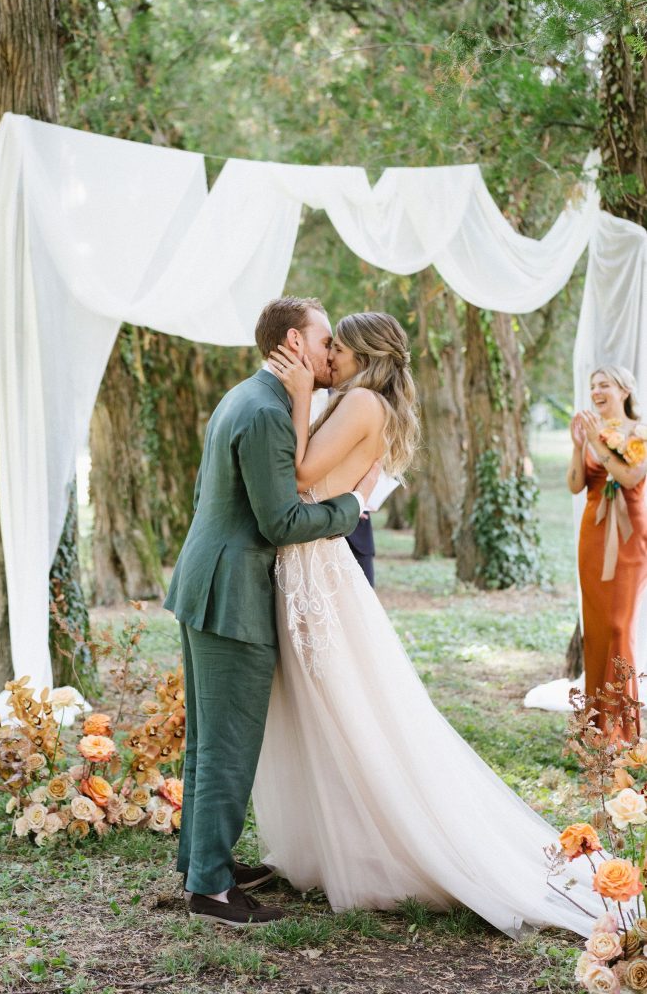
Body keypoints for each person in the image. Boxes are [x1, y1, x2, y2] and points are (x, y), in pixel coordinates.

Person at [253, 311, 598, 938]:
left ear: (361, 354)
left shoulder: (359, 402)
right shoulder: (360, 400)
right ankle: (343, 841)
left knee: (349, 709)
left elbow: (301, 475)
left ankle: (394, 845)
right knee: (326, 707)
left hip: (315, 569)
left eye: (336, 347)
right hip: (309, 563)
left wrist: (302, 396)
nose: (327, 355)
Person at [163, 295, 381, 927]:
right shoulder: (266, 414)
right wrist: (353, 509)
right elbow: (281, 521)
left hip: (211, 580)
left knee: (208, 740)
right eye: (323, 342)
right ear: (292, 343)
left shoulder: (249, 397)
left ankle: (202, 864)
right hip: (232, 593)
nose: (330, 353)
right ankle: (211, 891)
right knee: (228, 744)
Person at [567, 365, 647, 740]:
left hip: (631, 535)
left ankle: (623, 727)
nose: (596, 392)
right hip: (594, 534)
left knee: (619, 626)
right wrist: (577, 445)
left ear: (624, 390)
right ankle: (596, 725)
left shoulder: (640, 431)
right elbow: (575, 485)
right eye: (592, 386)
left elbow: (631, 478)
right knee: (598, 629)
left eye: (604, 385)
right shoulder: (587, 429)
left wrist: (599, 443)